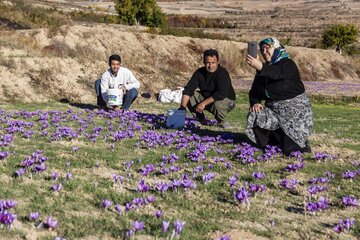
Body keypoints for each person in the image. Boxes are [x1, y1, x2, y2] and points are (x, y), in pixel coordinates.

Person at [245, 37, 313, 155]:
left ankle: (296, 140)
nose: (264, 52)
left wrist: (260, 66)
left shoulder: (288, 64)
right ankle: (271, 140)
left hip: (294, 115)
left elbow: (277, 73)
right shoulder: (264, 70)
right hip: (274, 113)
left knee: (290, 149)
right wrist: (255, 102)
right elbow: (254, 92)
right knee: (255, 113)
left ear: (277, 49)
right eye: (262, 50)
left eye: (267, 48)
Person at [179, 49, 236, 128]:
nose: (210, 66)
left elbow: (221, 93)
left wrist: (203, 103)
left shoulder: (222, 73)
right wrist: (182, 108)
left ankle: (220, 120)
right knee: (190, 96)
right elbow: (188, 89)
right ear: (204, 62)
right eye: (208, 63)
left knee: (218, 103)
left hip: (226, 100)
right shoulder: (199, 72)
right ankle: (201, 120)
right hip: (207, 98)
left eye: (213, 63)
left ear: (218, 61)